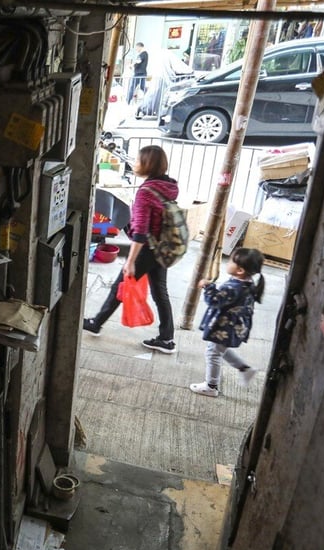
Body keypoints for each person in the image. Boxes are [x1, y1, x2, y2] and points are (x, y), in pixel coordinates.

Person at [83, 145, 179, 353]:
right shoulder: (169, 186)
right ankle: (167, 338)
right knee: (160, 292)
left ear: (147, 164)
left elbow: (140, 232)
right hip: (163, 247)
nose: (135, 164)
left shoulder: (146, 192)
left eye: (138, 160)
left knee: (121, 284)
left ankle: (96, 323)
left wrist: (130, 261)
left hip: (147, 248)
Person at [189, 248, 265, 397]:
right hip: (233, 325)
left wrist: (208, 286)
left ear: (240, 270)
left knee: (213, 353)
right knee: (218, 349)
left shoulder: (233, 287)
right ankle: (244, 369)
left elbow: (214, 300)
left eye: (231, 261)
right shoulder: (246, 283)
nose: (228, 262)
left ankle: (211, 386)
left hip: (225, 326)